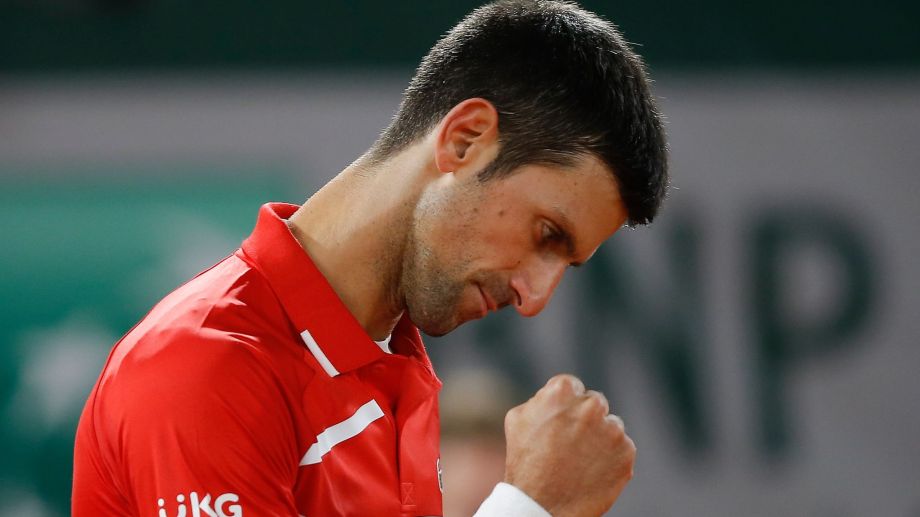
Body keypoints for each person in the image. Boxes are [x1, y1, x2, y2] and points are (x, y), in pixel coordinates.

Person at [72, 0, 668, 515]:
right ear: (464, 139)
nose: (534, 298)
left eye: (566, 264)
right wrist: (528, 506)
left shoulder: (396, 377)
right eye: (546, 235)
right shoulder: (207, 366)